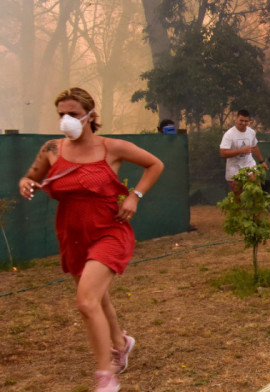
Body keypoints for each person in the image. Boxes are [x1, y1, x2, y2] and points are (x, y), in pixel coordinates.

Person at [18, 87, 164, 391]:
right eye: (61, 114)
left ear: (90, 115)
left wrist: (135, 196)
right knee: (97, 298)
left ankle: (105, 377)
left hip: (110, 229)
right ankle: (121, 343)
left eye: (72, 113)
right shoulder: (51, 149)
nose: (66, 120)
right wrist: (26, 183)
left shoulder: (112, 148)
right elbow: (31, 176)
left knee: (86, 301)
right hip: (71, 234)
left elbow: (155, 164)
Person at [219, 109, 268, 194]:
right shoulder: (229, 134)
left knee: (256, 192)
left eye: (246, 121)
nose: (243, 123)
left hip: (249, 166)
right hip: (234, 170)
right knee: (239, 198)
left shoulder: (251, 132)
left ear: (249, 121)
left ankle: (257, 206)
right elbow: (223, 153)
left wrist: (262, 161)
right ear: (236, 119)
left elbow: (255, 147)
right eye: (241, 120)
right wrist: (241, 150)